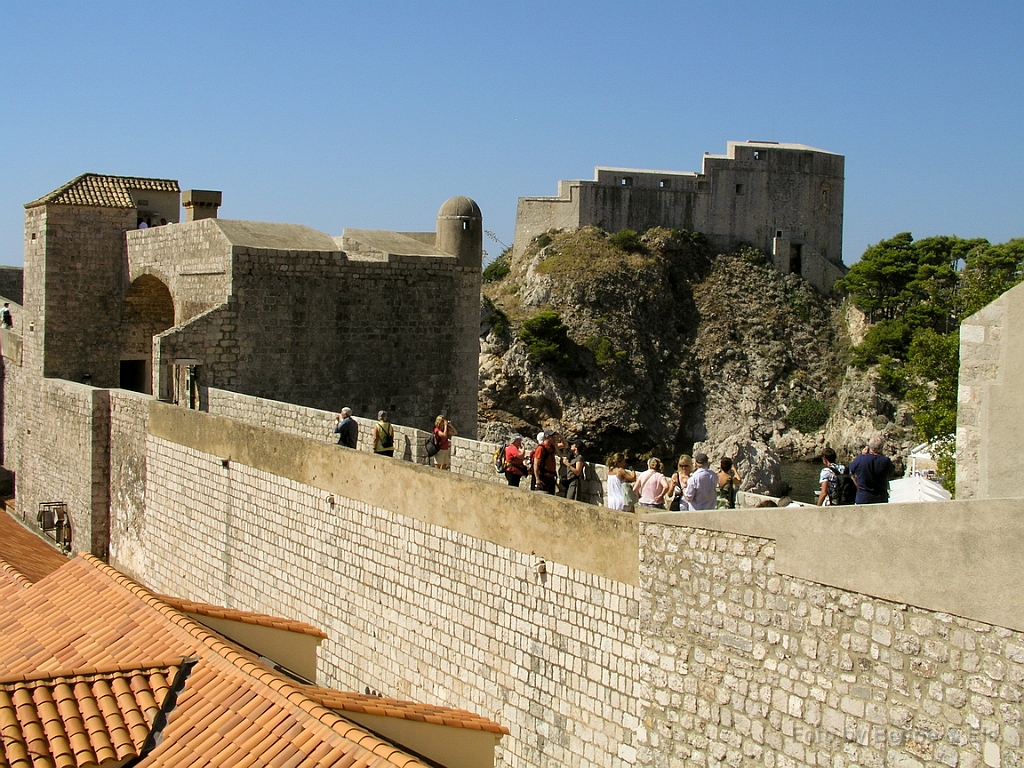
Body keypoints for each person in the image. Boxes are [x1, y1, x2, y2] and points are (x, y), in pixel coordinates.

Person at [848, 435, 895, 504]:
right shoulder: (885, 461)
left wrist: (857, 485)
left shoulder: (860, 459)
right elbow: (891, 472)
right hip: (881, 498)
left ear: (869, 447)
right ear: (881, 448)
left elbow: (850, 472)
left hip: (863, 497)